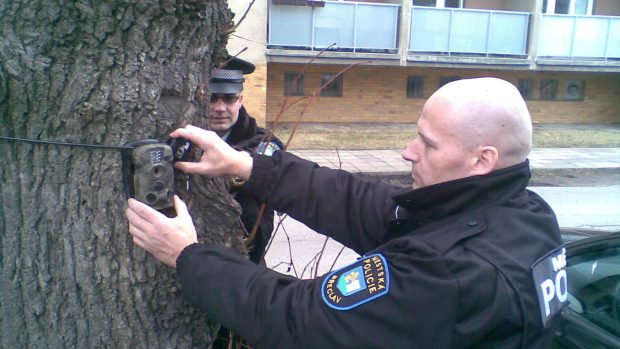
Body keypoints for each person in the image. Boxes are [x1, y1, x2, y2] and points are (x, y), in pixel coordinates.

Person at [126, 77, 565, 348]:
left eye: (428, 144)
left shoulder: (450, 273)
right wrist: (247, 166)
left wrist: (188, 255)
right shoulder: (523, 213)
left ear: (481, 160)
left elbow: (297, 320)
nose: (408, 152)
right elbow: (358, 202)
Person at [203, 56, 283, 264]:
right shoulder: (185, 143)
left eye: (229, 98)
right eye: (212, 98)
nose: (220, 107)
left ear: (240, 100)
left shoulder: (264, 143)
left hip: (247, 258)